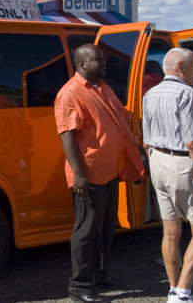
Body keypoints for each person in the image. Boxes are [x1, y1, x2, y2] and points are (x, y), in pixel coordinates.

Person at [54, 43, 144, 303]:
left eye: (103, 59)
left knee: (105, 228)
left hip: (109, 172)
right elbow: (67, 135)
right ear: (82, 64)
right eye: (98, 60)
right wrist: (78, 174)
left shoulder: (103, 88)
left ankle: (99, 275)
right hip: (89, 175)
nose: (103, 63)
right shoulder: (70, 94)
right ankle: (79, 286)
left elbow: (121, 118)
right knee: (86, 231)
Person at [142, 47, 193, 303]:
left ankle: (174, 289)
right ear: (180, 67)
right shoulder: (188, 95)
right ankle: (183, 293)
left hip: (158, 161)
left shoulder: (150, 94)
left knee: (171, 233)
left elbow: (146, 139)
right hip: (184, 165)